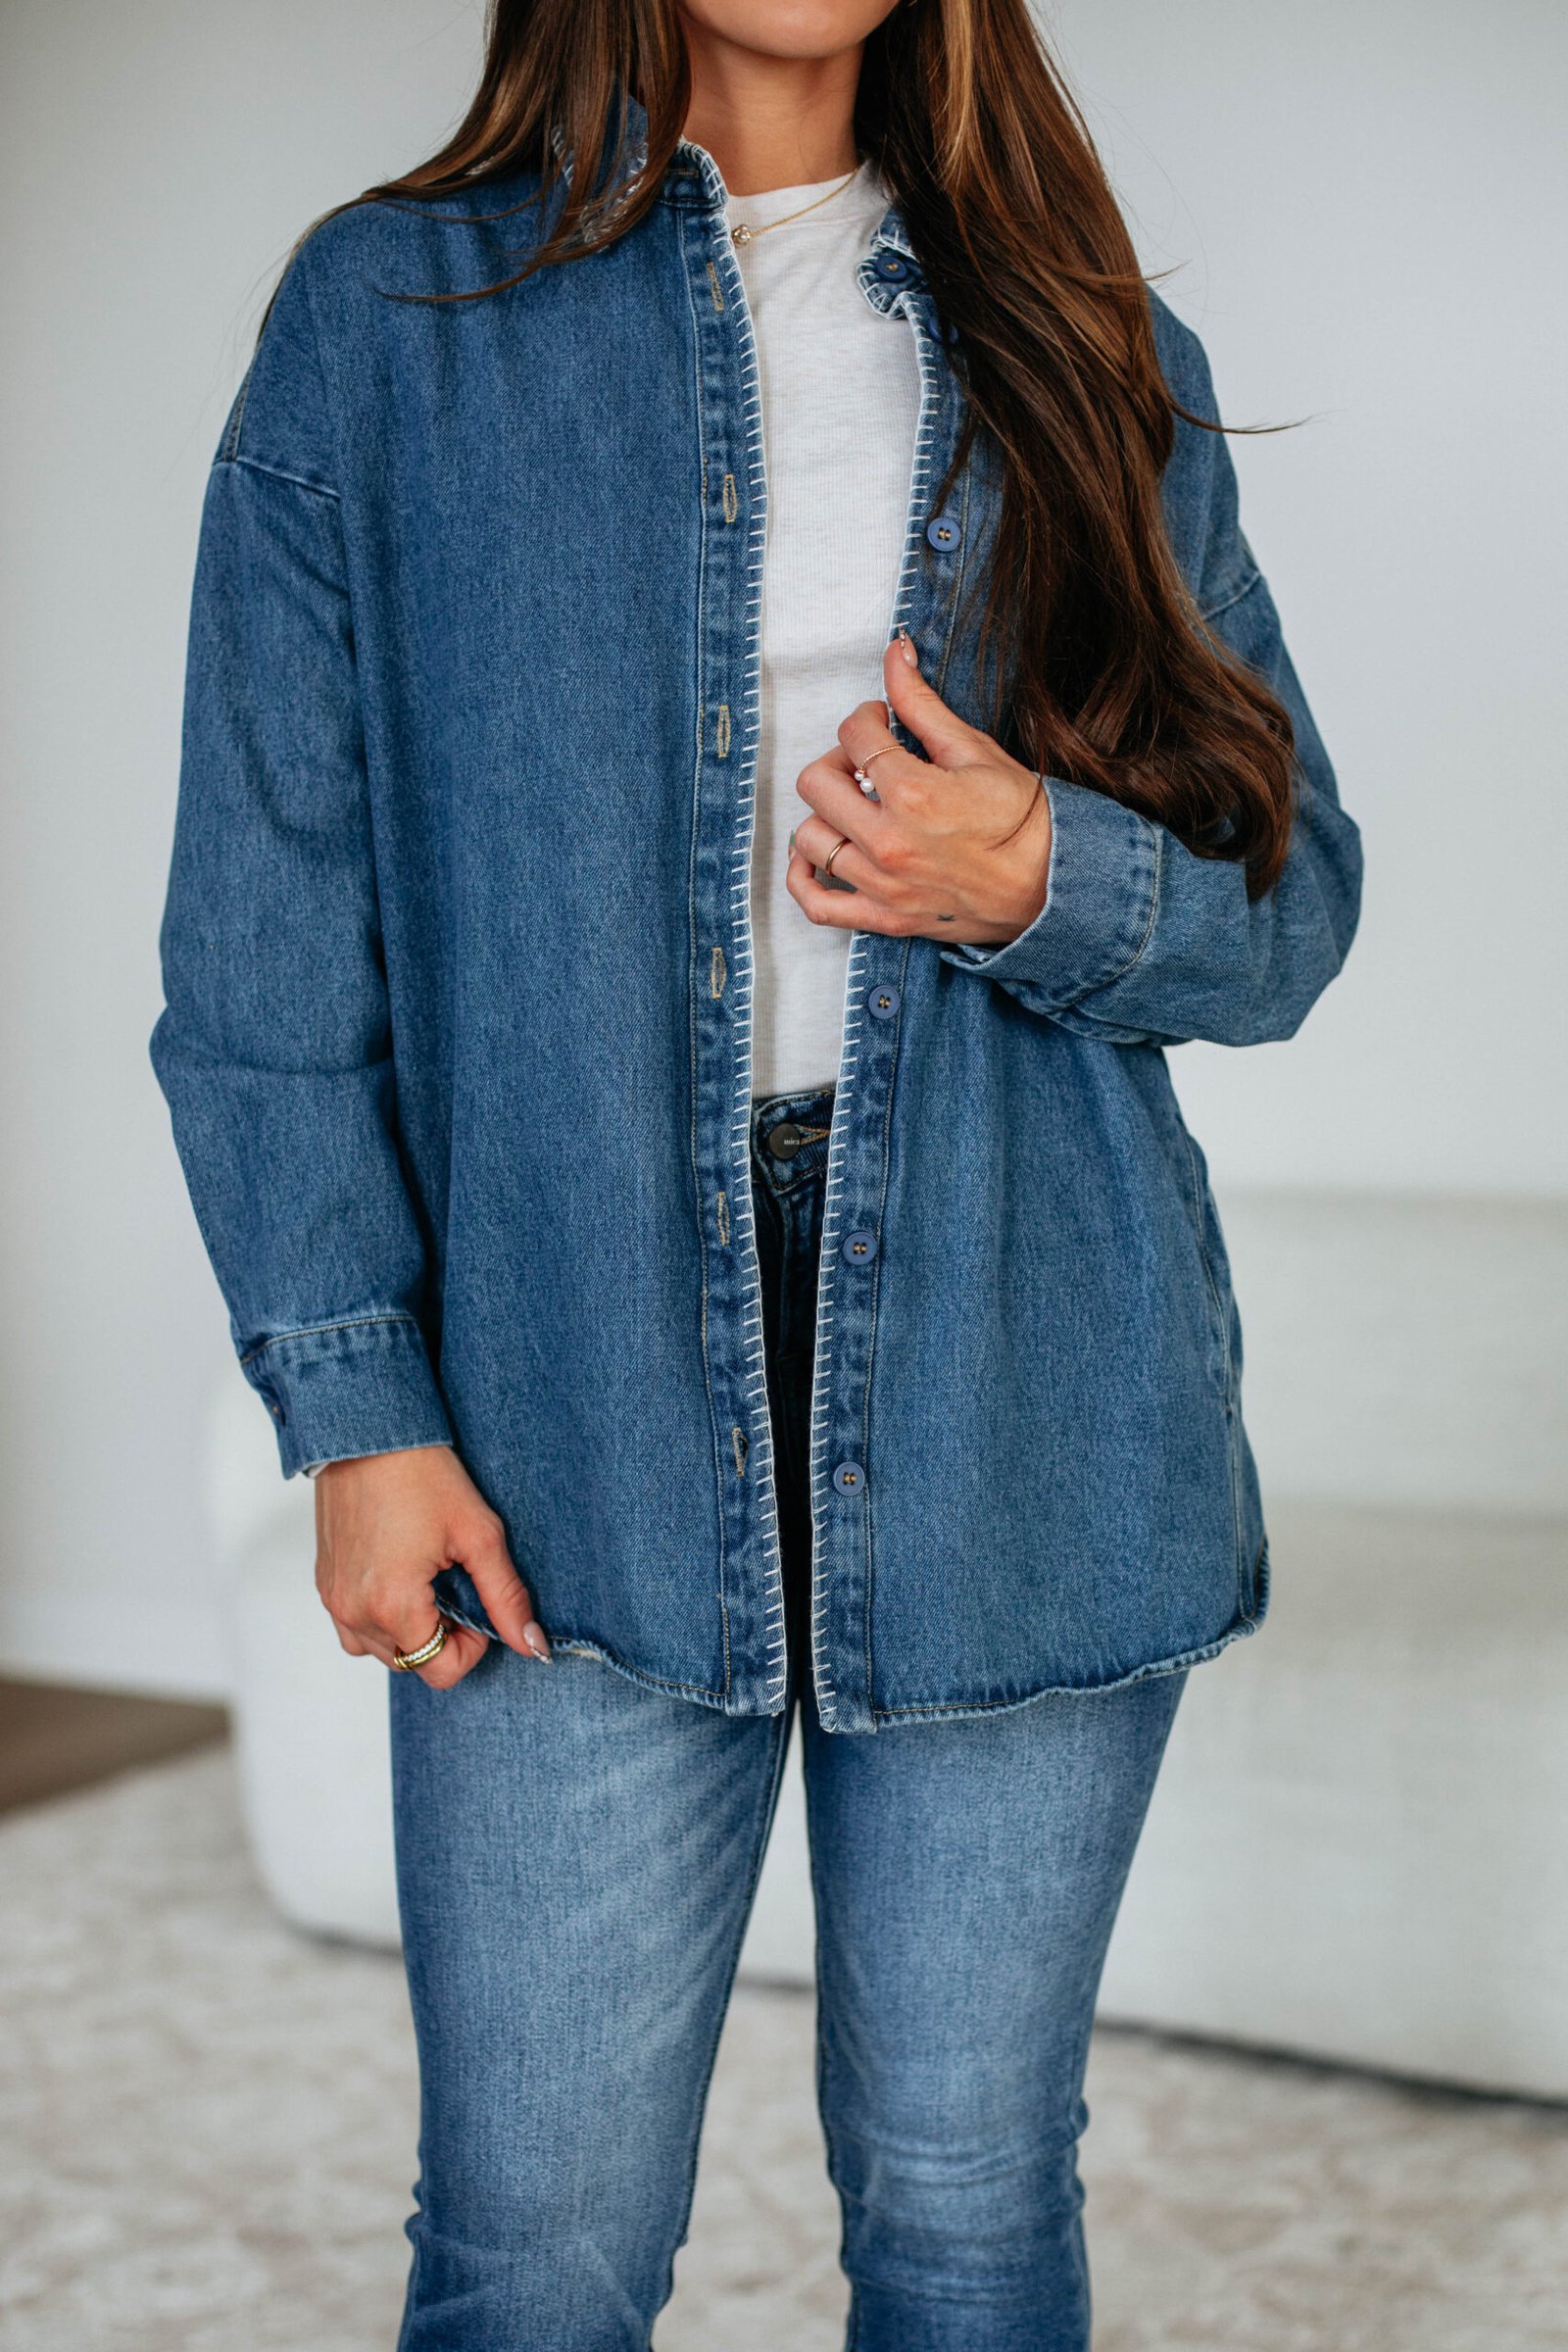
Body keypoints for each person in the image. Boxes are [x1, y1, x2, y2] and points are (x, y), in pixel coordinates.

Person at [151, 2, 1362, 2344]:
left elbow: (1286, 907)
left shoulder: (1084, 350)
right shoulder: (388, 321)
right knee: (532, 2249)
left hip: (1022, 1379)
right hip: (558, 1387)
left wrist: (1037, 873)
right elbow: (267, 938)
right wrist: (357, 1409)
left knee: (967, 2213)